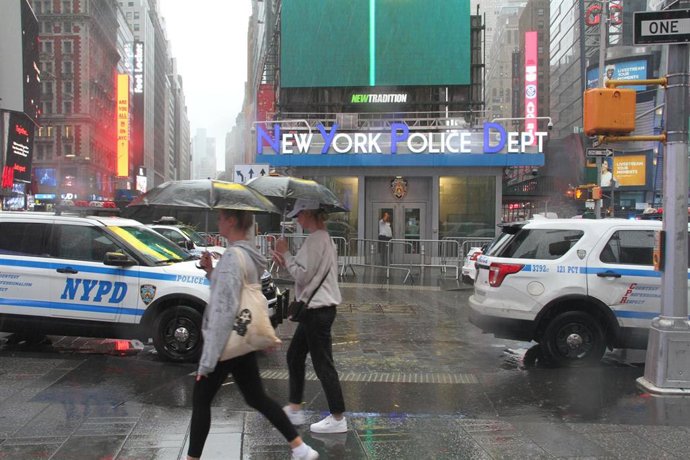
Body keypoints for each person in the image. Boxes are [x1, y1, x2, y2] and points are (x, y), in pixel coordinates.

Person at [188, 208, 318, 460]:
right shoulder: (247, 254)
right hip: (243, 338)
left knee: (201, 399)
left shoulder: (232, 256)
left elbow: (225, 308)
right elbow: (238, 290)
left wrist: (207, 360)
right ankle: (300, 447)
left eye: (221, 218)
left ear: (232, 221)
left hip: (226, 341)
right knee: (257, 397)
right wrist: (211, 270)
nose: (218, 223)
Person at [272, 198, 347, 434]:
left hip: (318, 311)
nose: (297, 219)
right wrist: (286, 259)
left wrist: (285, 254)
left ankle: (337, 417)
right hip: (316, 309)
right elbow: (307, 273)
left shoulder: (316, 240)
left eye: (299, 215)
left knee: (323, 364)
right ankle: (294, 408)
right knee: (295, 356)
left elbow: (302, 275)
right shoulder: (323, 238)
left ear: (308, 213)